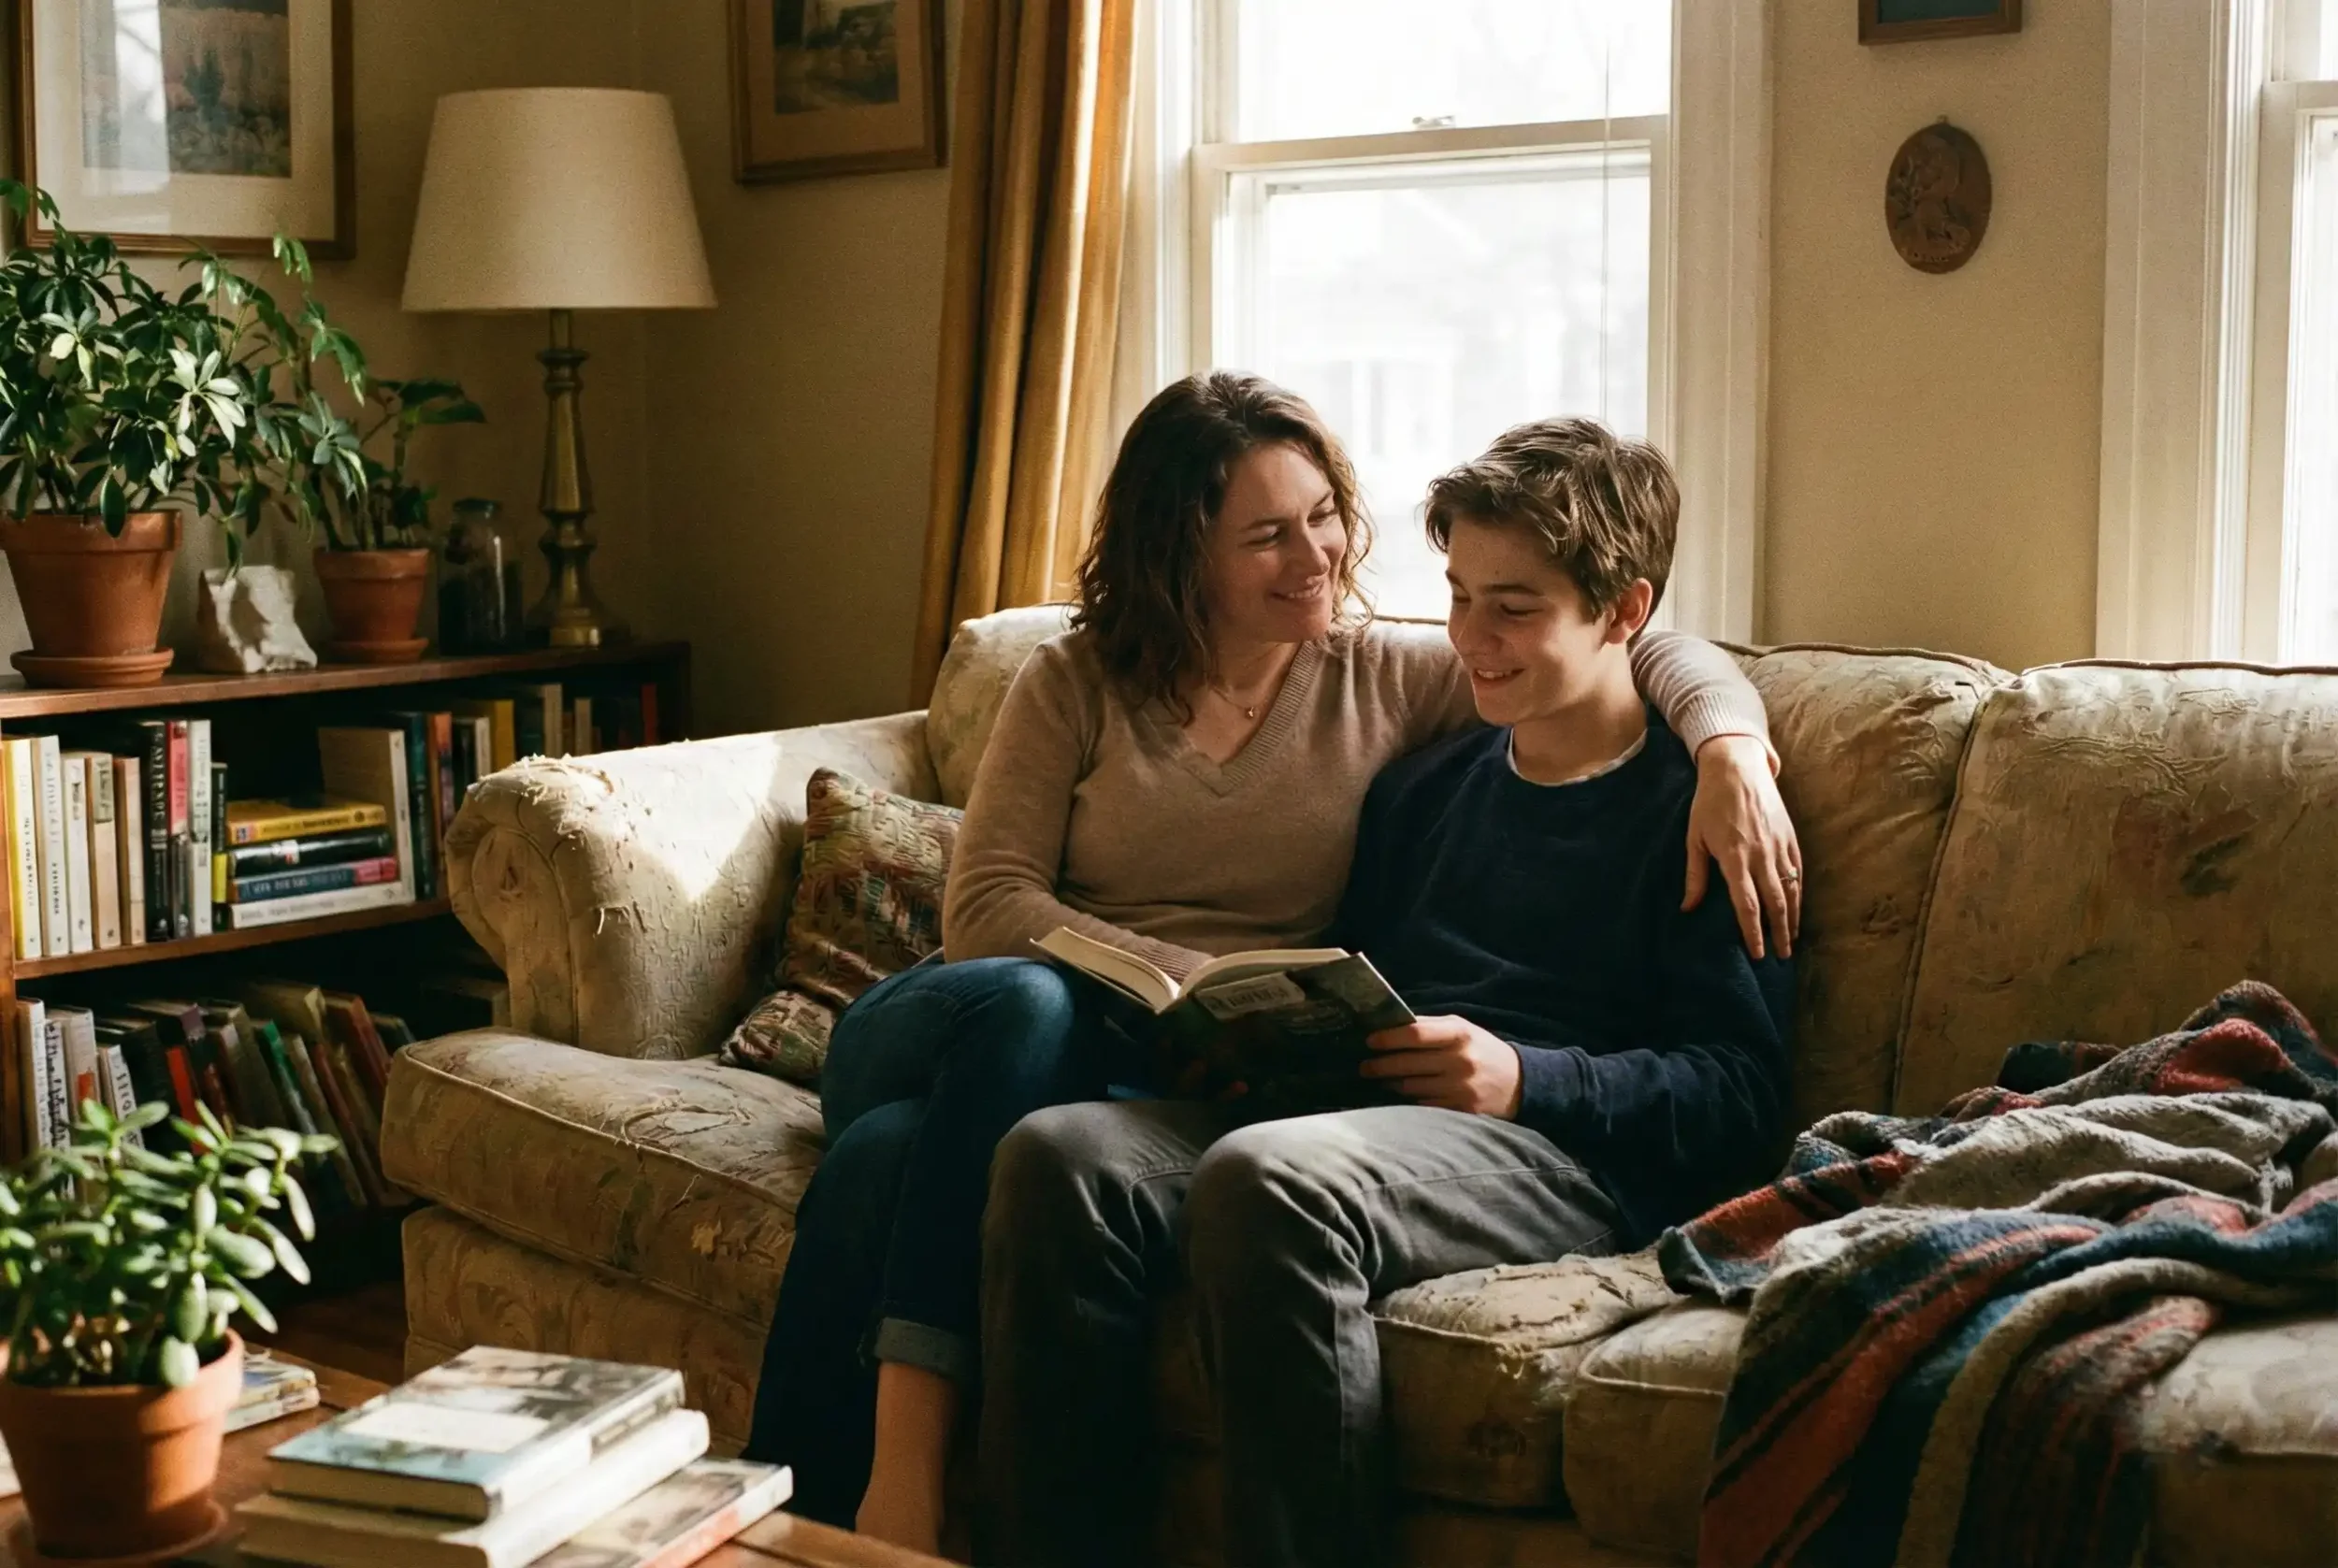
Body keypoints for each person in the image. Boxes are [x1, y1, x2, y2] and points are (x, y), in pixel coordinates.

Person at [742, 375, 1801, 1554]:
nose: (1470, 638)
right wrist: (1252, 1026)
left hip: (1549, 1139)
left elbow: (1743, 1095)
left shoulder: (1685, 818)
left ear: (1620, 612)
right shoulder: (1409, 780)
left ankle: (810, 1518)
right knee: (1045, 1128)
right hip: (1028, 1020)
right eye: (1457, 598)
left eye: (1511, 608)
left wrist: (1732, 753)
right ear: (1182, 555)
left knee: (1019, 1166)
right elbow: (995, 907)